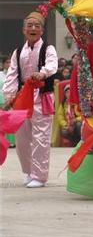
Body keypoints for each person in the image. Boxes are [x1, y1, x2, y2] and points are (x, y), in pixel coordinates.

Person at [3, 11, 58, 188]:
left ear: (42, 31)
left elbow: (52, 65)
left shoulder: (48, 49)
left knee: (41, 138)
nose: (33, 28)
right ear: (24, 30)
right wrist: (9, 96)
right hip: (22, 99)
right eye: (30, 25)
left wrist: (41, 73)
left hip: (42, 97)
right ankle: (28, 171)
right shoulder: (18, 52)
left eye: (37, 26)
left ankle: (39, 176)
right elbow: (12, 74)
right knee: (22, 138)